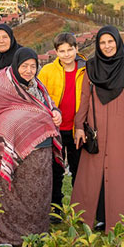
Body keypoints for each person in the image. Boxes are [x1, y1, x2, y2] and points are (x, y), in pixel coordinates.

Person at [0, 48, 63, 245]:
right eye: (24, 66)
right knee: (7, 199)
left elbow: (48, 104)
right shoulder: (0, 85)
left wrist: (55, 111)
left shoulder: (37, 86)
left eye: (33, 66)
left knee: (35, 198)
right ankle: (1, 234)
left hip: (39, 155)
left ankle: (34, 233)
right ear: (16, 65)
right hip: (5, 153)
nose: (28, 70)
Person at [71, 26, 124, 231]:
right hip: (96, 129)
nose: (107, 46)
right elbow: (84, 98)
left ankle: (120, 221)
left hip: (122, 131)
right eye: (102, 43)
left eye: (110, 41)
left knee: (122, 176)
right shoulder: (91, 66)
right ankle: (89, 217)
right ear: (98, 45)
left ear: (118, 42)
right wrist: (79, 126)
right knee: (92, 176)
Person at [38, 33, 86, 210]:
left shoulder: (86, 70)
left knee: (78, 171)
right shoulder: (47, 71)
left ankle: (79, 209)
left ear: (76, 49)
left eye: (70, 50)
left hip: (77, 129)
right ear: (56, 52)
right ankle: (54, 208)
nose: (66, 54)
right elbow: (39, 97)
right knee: (54, 171)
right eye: (62, 51)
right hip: (54, 129)